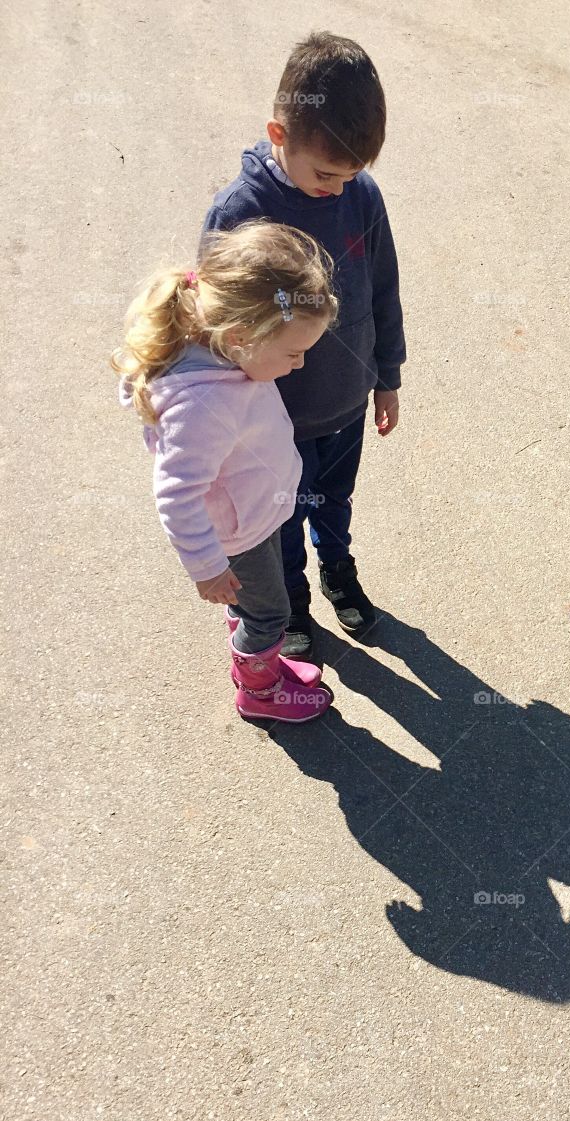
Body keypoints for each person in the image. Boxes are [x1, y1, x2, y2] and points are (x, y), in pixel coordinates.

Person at [200, 31, 406, 657]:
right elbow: (214, 327)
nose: (339, 189)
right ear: (279, 134)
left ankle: (338, 570)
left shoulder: (360, 197)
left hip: (342, 403)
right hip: (269, 419)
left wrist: (386, 374)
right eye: (326, 174)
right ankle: (287, 603)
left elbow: (383, 290)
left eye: (353, 175)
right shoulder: (240, 213)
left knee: (332, 503)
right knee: (278, 518)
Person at [112, 221, 339, 723]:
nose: (299, 365)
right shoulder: (204, 402)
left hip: (254, 514)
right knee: (270, 614)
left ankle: (250, 637)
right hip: (240, 534)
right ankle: (258, 688)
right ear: (241, 336)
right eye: (294, 352)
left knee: (256, 603)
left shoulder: (226, 358)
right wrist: (208, 566)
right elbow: (175, 495)